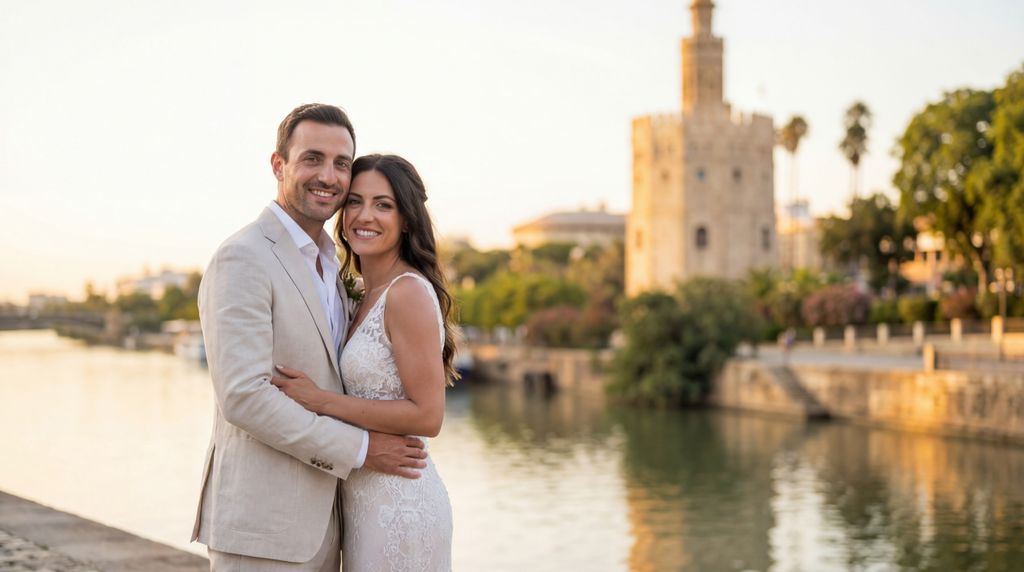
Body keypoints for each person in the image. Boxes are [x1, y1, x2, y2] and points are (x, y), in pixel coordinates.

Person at [191, 104, 428, 571]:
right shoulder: (243, 257)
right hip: (264, 531)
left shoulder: (332, 265)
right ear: (278, 164)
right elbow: (244, 396)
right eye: (312, 158)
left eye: (342, 163)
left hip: (334, 528)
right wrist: (363, 449)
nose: (328, 176)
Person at [272, 154, 457, 571]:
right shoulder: (355, 291)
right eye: (354, 202)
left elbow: (428, 416)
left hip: (401, 505)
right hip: (360, 500)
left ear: (406, 219)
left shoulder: (407, 292)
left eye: (383, 205)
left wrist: (320, 401)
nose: (364, 216)